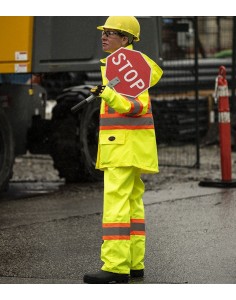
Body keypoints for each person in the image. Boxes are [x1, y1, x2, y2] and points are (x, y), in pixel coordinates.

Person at [83, 16, 163, 284]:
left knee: (116, 205)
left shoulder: (130, 65)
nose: (104, 36)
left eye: (111, 32)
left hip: (122, 147)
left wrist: (108, 94)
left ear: (126, 39)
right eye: (103, 32)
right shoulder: (126, 64)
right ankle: (133, 264)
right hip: (130, 147)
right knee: (132, 205)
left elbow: (135, 105)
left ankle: (115, 267)